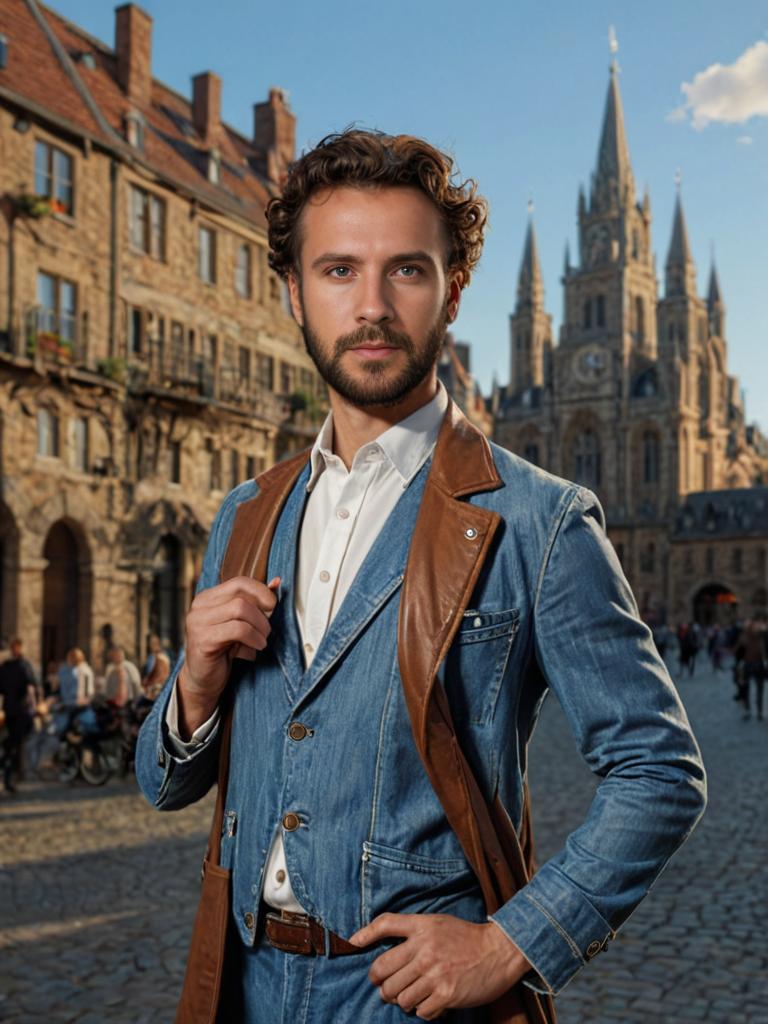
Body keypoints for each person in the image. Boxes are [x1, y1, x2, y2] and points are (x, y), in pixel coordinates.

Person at [136, 130, 706, 1023]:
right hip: (238, 985)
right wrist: (195, 691)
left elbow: (659, 769)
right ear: (294, 292)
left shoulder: (537, 519)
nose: (371, 306)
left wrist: (514, 942)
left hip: (407, 1002)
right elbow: (164, 783)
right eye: (337, 271)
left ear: (453, 291)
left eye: (405, 270)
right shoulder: (247, 512)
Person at [0, 638, 37, 792]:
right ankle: (11, 775)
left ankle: (12, 775)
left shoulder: (21, 665)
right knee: (13, 745)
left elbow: (30, 687)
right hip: (12, 710)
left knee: (14, 745)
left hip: (16, 710)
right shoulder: (9, 666)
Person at [737, 617, 766, 721]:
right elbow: (738, 651)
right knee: (746, 689)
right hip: (748, 664)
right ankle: (749, 710)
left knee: (759, 690)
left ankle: (758, 711)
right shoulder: (745, 637)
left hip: (757, 664)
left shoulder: (760, 637)